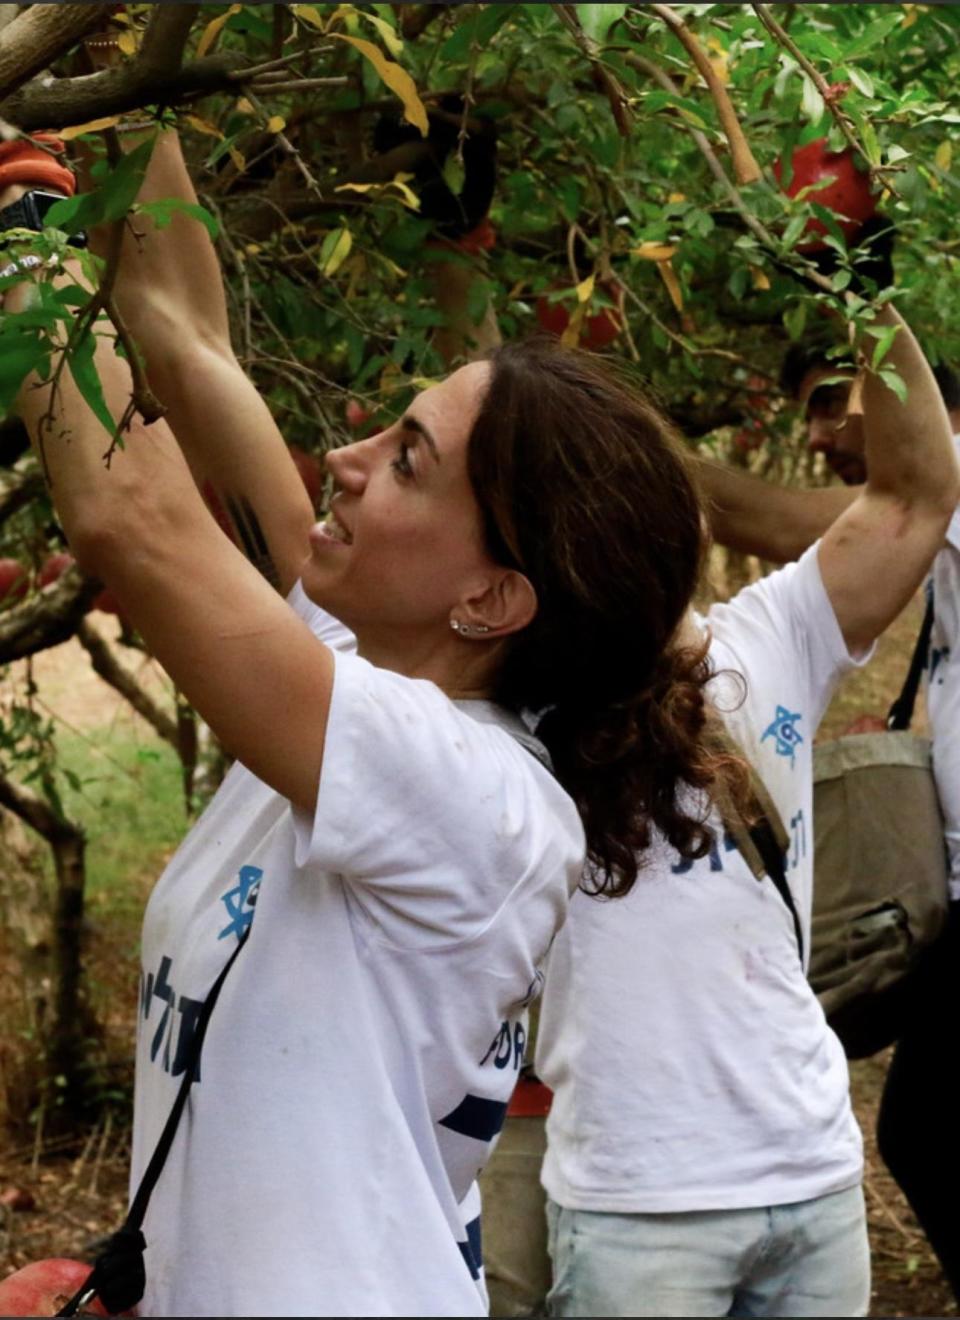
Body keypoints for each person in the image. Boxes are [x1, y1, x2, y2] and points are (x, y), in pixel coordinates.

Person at [0, 130, 731, 1318]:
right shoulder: (355, 667)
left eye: (407, 462)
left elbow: (137, 518)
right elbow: (180, 331)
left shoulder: (473, 798)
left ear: (492, 596)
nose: (342, 459)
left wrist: (19, 238)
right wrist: (130, 99)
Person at [533, 308, 959, 1319]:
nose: (815, 435)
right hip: (644, 1199)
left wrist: (861, 289)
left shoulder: (762, 644)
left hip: (796, 1174)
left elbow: (890, 497)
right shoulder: (508, 704)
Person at [705, 346, 960, 1303]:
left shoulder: (952, 477)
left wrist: (598, 441)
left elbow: (765, 521)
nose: (814, 436)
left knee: (926, 1131)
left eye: (828, 402)